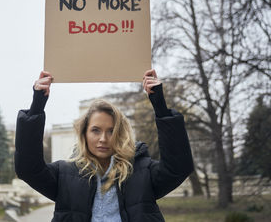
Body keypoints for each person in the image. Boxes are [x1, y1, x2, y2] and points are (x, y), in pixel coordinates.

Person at [15, 69, 194, 222]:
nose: (103, 138)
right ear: (84, 133)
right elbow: (28, 169)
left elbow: (178, 168)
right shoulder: (64, 173)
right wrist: (37, 105)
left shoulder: (141, 170)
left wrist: (161, 107)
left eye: (111, 131)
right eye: (95, 130)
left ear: (120, 134)